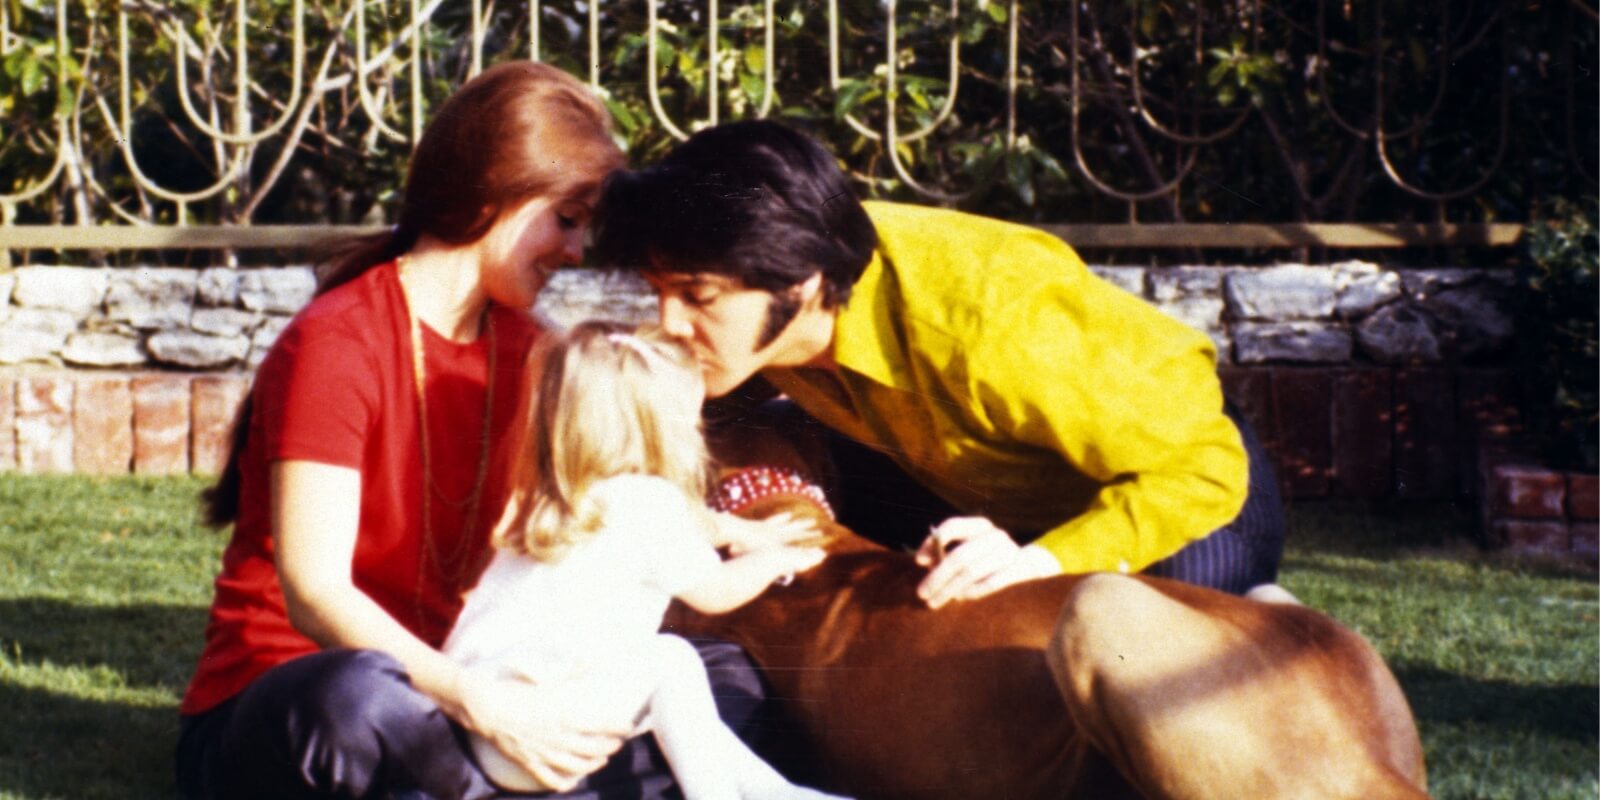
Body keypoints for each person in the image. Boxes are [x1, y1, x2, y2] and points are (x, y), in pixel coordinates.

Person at [175, 63, 770, 800]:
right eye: (568, 217)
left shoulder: (532, 348)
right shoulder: (338, 343)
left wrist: (727, 530)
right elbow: (314, 594)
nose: (576, 252)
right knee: (357, 700)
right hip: (312, 698)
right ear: (499, 192)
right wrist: (484, 705)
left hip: (470, 702)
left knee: (720, 678)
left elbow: (602, 505)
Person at [590, 120, 1286, 610]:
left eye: (696, 296)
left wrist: (1040, 562)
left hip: (1183, 474)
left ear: (797, 285)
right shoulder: (762, 315)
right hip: (964, 476)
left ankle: (1272, 614)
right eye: (659, 293)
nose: (669, 325)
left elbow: (1200, 466)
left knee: (1152, 628)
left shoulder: (991, 315)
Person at [445, 321, 842, 800]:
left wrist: (741, 530)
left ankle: (776, 792)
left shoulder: (560, 500)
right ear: (663, 430)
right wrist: (774, 558)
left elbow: (695, 526)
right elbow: (716, 592)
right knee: (670, 663)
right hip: (550, 740)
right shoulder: (652, 503)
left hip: (479, 733)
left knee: (679, 707)